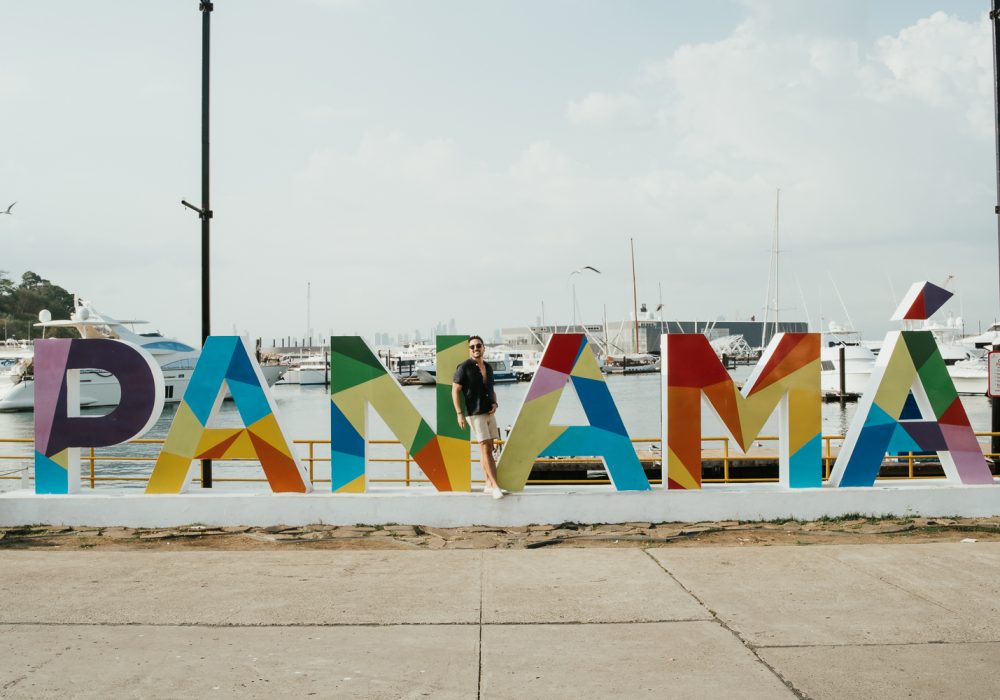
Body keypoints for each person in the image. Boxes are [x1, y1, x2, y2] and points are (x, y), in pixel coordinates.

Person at [452, 335, 505, 499]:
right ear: (469, 350)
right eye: (473, 347)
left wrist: (495, 403)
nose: (476, 349)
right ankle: (496, 487)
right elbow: (455, 390)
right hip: (474, 413)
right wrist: (459, 413)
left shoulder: (488, 367)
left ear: (484, 348)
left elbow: (491, 388)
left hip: (488, 411)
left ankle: (488, 484)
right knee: (485, 448)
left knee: (489, 448)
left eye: (478, 346)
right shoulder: (464, 367)